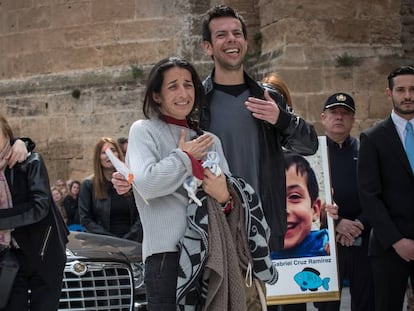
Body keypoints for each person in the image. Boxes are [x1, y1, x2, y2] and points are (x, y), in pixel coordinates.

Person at [122, 56, 277, 311]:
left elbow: (228, 203)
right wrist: (185, 157)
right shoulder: (143, 131)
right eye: (173, 86)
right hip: (167, 258)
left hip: (213, 255)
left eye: (188, 84)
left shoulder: (210, 140)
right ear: (157, 95)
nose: (183, 93)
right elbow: (146, 185)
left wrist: (225, 197)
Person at [200, 4, 319, 254]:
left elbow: (309, 145)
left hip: (261, 226)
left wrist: (282, 119)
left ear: (245, 41)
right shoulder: (198, 102)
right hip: (213, 225)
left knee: (258, 295)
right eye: (221, 35)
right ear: (208, 47)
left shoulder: (269, 97)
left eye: (237, 33)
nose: (231, 39)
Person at [357, 65, 414, 311]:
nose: (408, 95)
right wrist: (397, 241)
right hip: (389, 247)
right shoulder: (373, 138)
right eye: (401, 90)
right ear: (389, 93)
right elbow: (369, 196)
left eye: (412, 89)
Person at [0, 113, 68, 310]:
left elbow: (39, 207)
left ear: (7, 134)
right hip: (10, 256)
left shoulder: (31, 162)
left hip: (44, 250)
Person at [313, 92, 374, 311]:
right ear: (323, 117)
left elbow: (377, 195)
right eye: (334, 113)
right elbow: (307, 200)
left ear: (353, 119)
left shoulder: (367, 151)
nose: (339, 117)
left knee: (366, 302)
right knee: (327, 306)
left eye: (345, 113)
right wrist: (336, 224)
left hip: (362, 240)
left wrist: (359, 224)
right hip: (326, 243)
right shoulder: (312, 154)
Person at [78, 137, 143, 242]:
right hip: (102, 244)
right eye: (104, 152)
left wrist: (129, 238)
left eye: (112, 150)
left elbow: (141, 214)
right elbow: (85, 219)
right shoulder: (88, 185)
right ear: (98, 157)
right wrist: (110, 240)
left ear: (118, 154)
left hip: (132, 243)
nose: (109, 155)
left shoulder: (130, 182)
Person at [271, 151, 329, 260]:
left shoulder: (328, 245)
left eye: (294, 197)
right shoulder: (248, 257)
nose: (283, 211)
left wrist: (342, 256)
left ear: (315, 209)